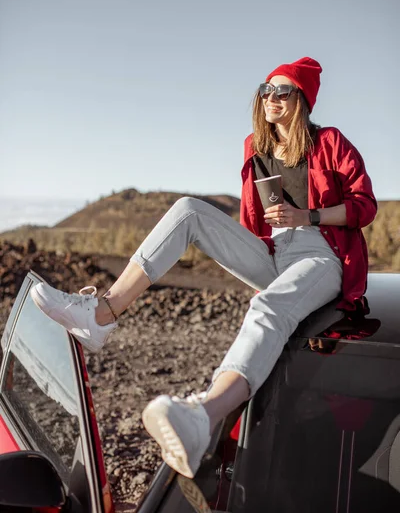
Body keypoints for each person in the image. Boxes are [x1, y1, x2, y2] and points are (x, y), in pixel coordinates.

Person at [30, 56, 377, 479]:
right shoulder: (256, 147)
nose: (271, 98)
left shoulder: (330, 142)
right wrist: (261, 235)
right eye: (266, 90)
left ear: (301, 100)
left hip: (321, 253)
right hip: (275, 251)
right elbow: (252, 218)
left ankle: (202, 417)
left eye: (282, 91)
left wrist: (308, 217)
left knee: (268, 309)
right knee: (188, 210)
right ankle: (101, 314)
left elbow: (364, 206)